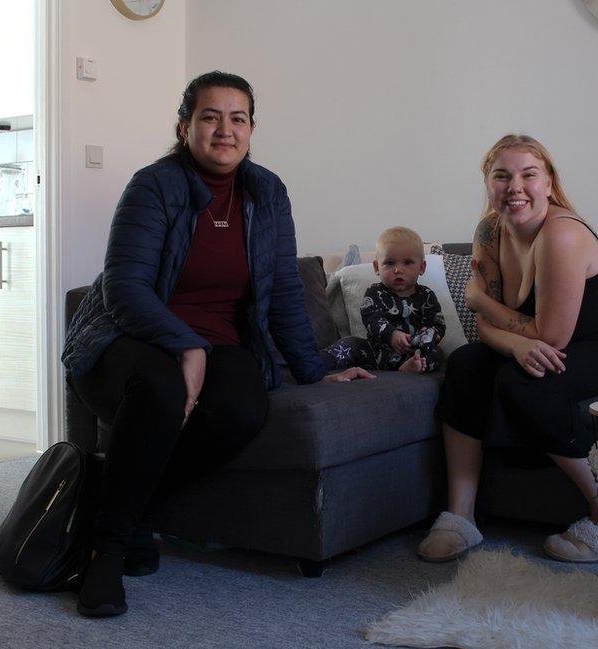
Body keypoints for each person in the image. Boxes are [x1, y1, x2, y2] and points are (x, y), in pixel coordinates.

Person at [62, 71, 372, 617]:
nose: (224, 130)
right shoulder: (154, 185)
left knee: (242, 408)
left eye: (238, 119)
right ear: (184, 127)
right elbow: (124, 289)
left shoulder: (268, 192)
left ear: (251, 130)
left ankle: (120, 510)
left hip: (219, 341)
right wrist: (187, 345)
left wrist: (313, 368)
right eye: (210, 117)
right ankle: (105, 553)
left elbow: (280, 295)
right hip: (123, 336)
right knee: (159, 388)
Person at [418, 134, 598, 563]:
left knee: (527, 380)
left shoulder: (562, 234)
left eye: (528, 174)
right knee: (465, 365)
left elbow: (549, 338)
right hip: (558, 343)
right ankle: (460, 518)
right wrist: (513, 339)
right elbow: (484, 328)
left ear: (550, 183)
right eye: (501, 176)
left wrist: (482, 299)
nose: (514, 187)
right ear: (488, 185)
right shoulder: (489, 231)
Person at [322, 226, 446, 374]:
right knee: (351, 343)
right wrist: (391, 334)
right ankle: (319, 360)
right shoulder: (375, 292)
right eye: (390, 263)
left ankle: (411, 366)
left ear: (422, 267)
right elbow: (371, 318)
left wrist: (428, 335)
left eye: (407, 262)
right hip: (375, 352)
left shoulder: (426, 295)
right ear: (377, 267)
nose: (398, 270)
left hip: (413, 352)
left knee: (438, 353)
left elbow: (438, 324)